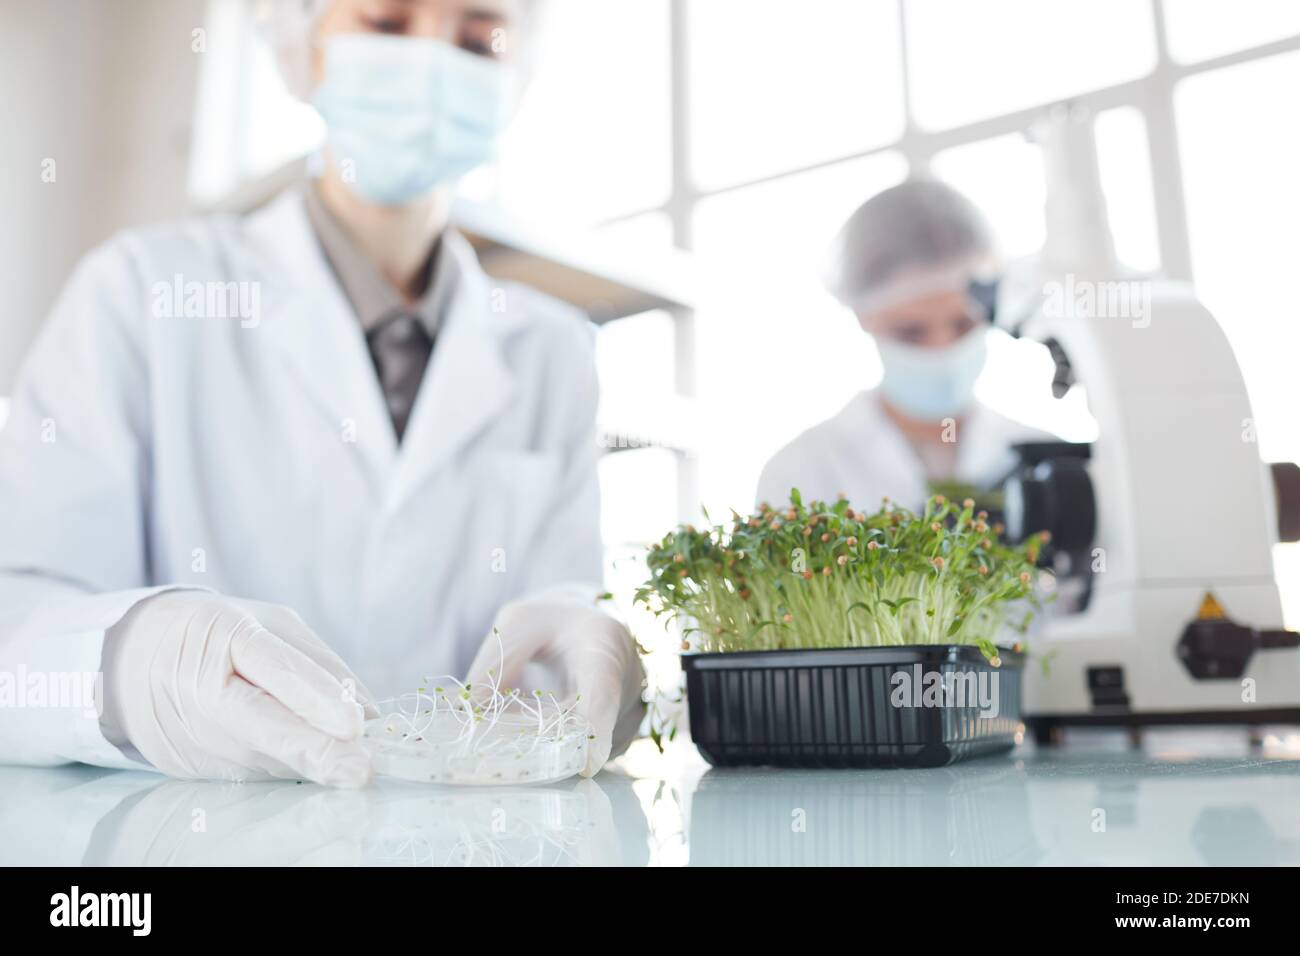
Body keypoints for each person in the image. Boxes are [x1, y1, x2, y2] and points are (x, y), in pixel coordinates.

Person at [0, 0, 644, 787]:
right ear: (299, 49)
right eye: (385, 23)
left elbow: (555, 616)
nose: (435, 62)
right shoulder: (140, 291)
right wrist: (130, 661)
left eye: (478, 35)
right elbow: (18, 617)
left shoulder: (555, 350)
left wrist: (592, 656)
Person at [756, 178, 1052, 512]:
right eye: (911, 332)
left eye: (963, 323)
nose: (943, 349)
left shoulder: (1051, 463)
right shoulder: (801, 474)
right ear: (863, 318)